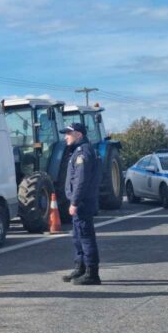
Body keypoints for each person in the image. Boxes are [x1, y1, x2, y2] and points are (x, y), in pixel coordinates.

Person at [61, 122, 102, 286]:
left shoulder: (83, 153)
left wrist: (75, 201)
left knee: (85, 237)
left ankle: (92, 273)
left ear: (79, 134)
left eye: (68, 134)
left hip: (82, 202)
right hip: (80, 201)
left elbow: (81, 181)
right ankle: (81, 267)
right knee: (77, 236)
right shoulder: (78, 151)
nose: (65, 137)